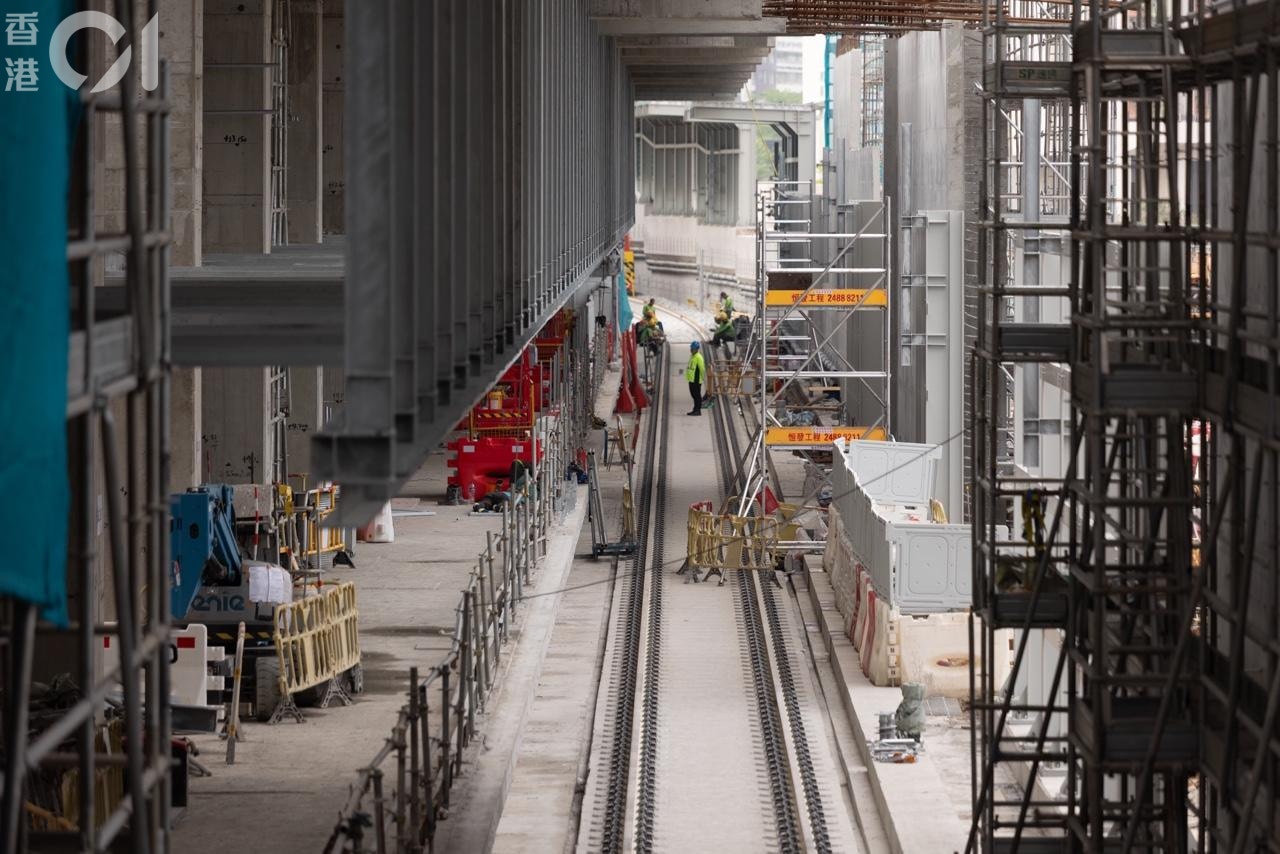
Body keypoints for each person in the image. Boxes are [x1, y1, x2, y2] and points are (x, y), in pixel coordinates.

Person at [685, 340, 706, 416]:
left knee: (696, 395)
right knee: (693, 395)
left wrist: (702, 378)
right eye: (691, 348)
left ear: (697, 349)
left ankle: (697, 410)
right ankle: (695, 409)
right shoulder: (693, 356)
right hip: (691, 379)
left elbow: (702, 369)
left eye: (693, 348)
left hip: (696, 380)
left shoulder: (698, 357)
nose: (691, 350)